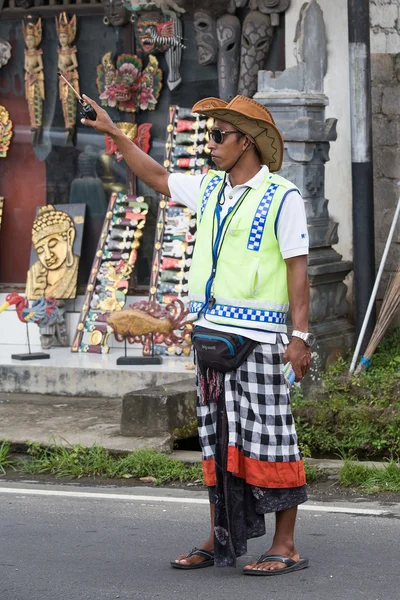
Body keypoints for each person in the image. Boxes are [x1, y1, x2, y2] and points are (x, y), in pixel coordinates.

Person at [81, 93, 314, 575]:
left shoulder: (282, 196)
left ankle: (286, 544)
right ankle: (219, 537)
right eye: (209, 134)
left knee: (271, 439)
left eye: (219, 136)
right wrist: (114, 132)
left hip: (261, 340)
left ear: (246, 141)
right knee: (216, 439)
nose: (210, 144)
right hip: (211, 336)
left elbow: (298, 271)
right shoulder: (209, 188)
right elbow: (157, 176)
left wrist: (301, 337)